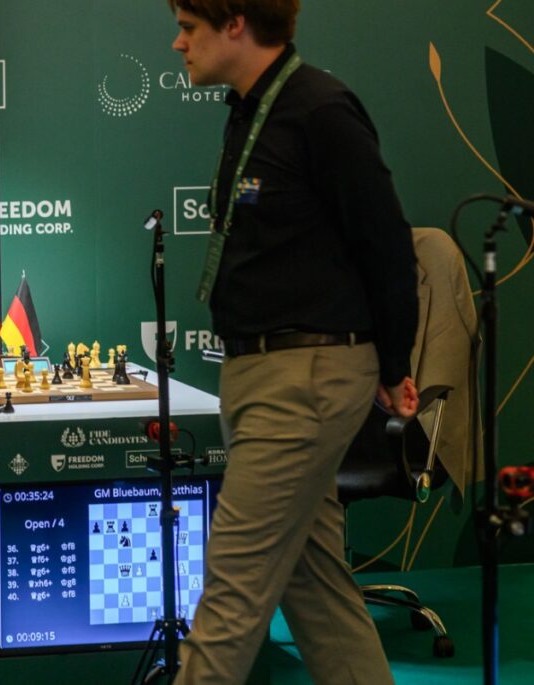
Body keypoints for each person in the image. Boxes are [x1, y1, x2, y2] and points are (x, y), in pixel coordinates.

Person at [166, 2, 420, 683]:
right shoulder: (251, 110)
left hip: (304, 377)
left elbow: (388, 245)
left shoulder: (319, 110)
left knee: (233, 588)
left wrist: (394, 364)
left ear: (235, 23)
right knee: (314, 584)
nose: (178, 43)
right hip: (261, 372)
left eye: (188, 27)